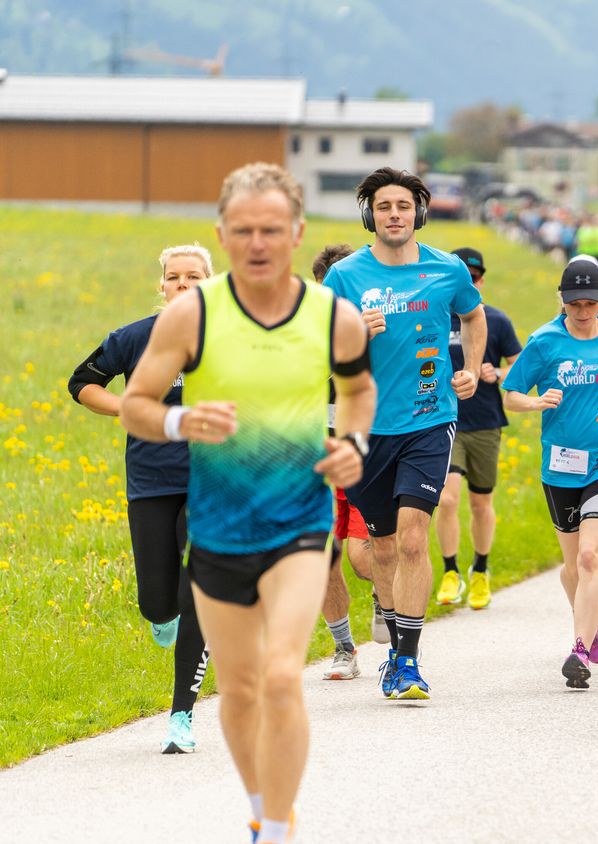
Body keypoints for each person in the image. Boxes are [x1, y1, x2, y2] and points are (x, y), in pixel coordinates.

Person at [120, 162, 375, 841]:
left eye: (270, 229)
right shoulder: (191, 314)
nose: (256, 243)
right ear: (221, 235)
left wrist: (353, 442)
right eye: (242, 231)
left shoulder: (332, 317)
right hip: (219, 527)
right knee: (238, 690)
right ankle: (261, 799)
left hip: (298, 521)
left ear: (295, 233)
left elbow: (357, 391)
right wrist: (180, 422)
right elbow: (136, 405)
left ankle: (272, 825)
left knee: (284, 675)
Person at [322, 167, 486, 701]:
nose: (395, 215)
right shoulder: (344, 277)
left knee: (415, 537)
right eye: (384, 206)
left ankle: (409, 662)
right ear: (370, 214)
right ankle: (396, 647)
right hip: (366, 427)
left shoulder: (448, 268)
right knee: (384, 549)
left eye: (404, 205)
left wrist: (469, 369)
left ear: (419, 210)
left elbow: (474, 316)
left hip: (429, 419)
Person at [68, 243, 213, 754]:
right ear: (162, 285)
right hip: (151, 481)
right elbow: (81, 382)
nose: (182, 285)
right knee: (158, 600)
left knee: (197, 595)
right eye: (174, 277)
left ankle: (182, 717)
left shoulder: (232, 339)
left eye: (193, 277)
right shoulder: (134, 338)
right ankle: (162, 616)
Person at [503, 258, 598, 687]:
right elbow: (511, 394)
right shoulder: (544, 341)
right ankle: (591, 625)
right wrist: (537, 403)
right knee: (572, 567)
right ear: (562, 300)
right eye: (575, 303)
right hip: (560, 467)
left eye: (590, 303)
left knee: (590, 556)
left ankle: (579, 650)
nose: (582, 311)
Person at [433, 247, 521, 610]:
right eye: (463, 277)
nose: (470, 282)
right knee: (447, 498)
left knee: (481, 502)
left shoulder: (495, 320)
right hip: (443, 422)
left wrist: (496, 373)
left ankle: (480, 571)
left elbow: (519, 369)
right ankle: (450, 571)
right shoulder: (435, 317)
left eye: (475, 277)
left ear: (481, 281)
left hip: (485, 422)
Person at [311, 243, 381, 679]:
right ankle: (344, 650)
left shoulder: (381, 327)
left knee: (360, 557)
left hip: (366, 455)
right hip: (317, 456)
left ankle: (387, 598)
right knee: (320, 557)